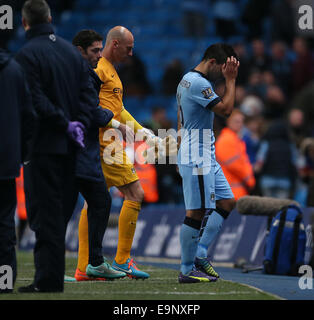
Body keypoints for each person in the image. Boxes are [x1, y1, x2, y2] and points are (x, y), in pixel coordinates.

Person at [75, 26, 170, 280]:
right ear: (114, 44)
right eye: (128, 48)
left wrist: (142, 131)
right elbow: (92, 109)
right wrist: (123, 129)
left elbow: (119, 110)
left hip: (104, 141)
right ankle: (122, 261)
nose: (131, 53)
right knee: (135, 193)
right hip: (105, 143)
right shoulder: (98, 69)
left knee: (93, 202)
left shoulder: (111, 71)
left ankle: (84, 267)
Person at [15, 0, 96, 293]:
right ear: (49, 17)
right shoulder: (70, 53)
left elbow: (35, 101)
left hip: (44, 146)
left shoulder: (26, 55)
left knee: (45, 214)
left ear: (24, 23)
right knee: (58, 214)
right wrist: (79, 126)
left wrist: (64, 124)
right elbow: (89, 98)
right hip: (73, 147)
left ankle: (48, 280)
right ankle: (48, 276)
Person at [176, 43, 239, 283]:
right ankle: (186, 269)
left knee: (226, 202)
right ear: (212, 62)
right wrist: (231, 81)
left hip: (203, 152)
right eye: (222, 69)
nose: (223, 73)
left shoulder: (185, 80)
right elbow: (226, 110)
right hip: (198, 154)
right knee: (197, 211)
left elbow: (180, 117)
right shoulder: (199, 83)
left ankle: (200, 253)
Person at [71, 30, 126, 281]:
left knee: (95, 202)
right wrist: (114, 123)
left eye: (100, 49)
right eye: (94, 50)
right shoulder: (84, 74)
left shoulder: (71, 70)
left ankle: (90, 263)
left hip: (71, 149)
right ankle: (94, 263)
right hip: (79, 150)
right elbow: (90, 110)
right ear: (81, 50)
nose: (98, 54)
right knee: (99, 201)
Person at [0, 46, 35, 293]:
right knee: (4, 224)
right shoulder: (13, 69)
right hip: (6, 161)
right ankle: (4, 282)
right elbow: (28, 116)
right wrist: (21, 154)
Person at [215, 109, 256, 200]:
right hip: (231, 193)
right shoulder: (227, 140)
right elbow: (235, 165)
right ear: (228, 122)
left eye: (241, 121)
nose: (240, 124)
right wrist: (250, 180)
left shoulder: (235, 139)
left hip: (236, 191)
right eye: (236, 121)